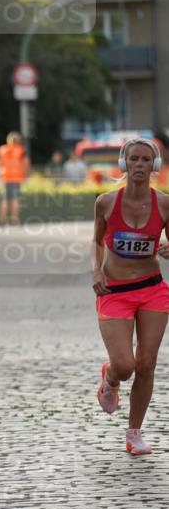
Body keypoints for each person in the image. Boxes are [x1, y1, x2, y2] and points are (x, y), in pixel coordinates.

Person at [92, 137, 169, 456]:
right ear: (124, 164)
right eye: (134, 159)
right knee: (126, 365)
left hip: (153, 288)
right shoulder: (106, 202)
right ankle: (110, 379)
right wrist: (96, 270)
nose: (139, 165)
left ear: (155, 166)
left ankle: (134, 433)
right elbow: (96, 242)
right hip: (115, 291)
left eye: (145, 160)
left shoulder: (164, 203)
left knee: (147, 363)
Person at [0, 131, 27, 225]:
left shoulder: (2, 149)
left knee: (5, 199)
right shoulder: (21, 150)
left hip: (5, 177)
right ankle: (14, 221)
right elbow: (25, 163)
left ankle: (2, 220)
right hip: (17, 178)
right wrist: (25, 175)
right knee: (15, 200)